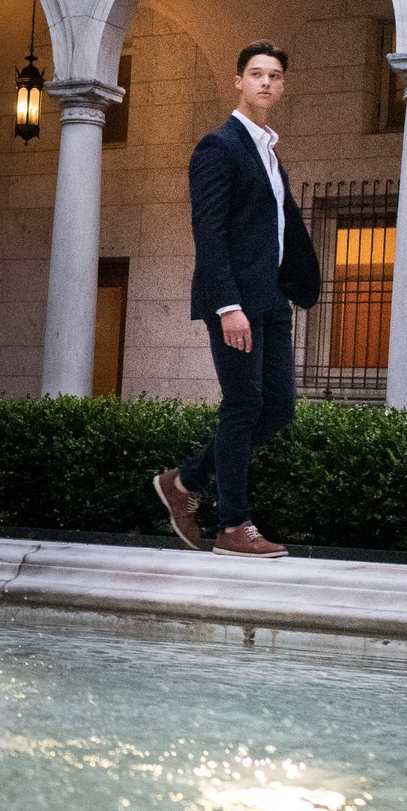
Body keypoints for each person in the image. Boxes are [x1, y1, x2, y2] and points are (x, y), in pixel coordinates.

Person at [155, 40, 319, 558]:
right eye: (256, 73)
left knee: (279, 410)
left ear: (282, 85)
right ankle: (233, 525)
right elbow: (209, 232)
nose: (266, 82)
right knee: (244, 404)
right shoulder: (218, 147)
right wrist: (227, 306)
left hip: (271, 301)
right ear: (239, 82)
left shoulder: (271, 157)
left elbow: (277, 230)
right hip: (237, 303)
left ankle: (183, 482)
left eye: (274, 75)